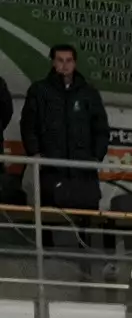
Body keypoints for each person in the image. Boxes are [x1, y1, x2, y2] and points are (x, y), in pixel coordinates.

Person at [19, 44, 107, 225]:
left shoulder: (89, 93)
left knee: (85, 220)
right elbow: (28, 125)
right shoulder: (39, 91)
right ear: (53, 63)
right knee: (48, 219)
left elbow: (101, 128)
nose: (65, 65)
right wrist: (35, 154)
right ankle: (45, 251)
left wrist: (96, 157)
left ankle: (85, 251)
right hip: (51, 168)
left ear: (75, 63)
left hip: (82, 170)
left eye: (69, 60)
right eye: (60, 60)